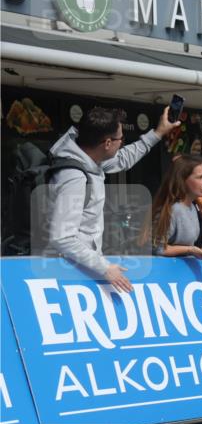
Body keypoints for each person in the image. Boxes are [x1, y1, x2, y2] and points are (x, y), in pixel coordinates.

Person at [43, 105, 179, 293]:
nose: (122, 143)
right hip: (67, 277)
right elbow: (62, 237)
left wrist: (158, 133)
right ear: (107, 143)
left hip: (81, 270)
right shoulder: (74, 177)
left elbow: (124, 159)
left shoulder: (91, 160)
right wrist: (104, 268)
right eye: (121, 139)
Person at [145, 155, 202, 262]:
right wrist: (190, 250)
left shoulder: (194, 207)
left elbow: (195, 244)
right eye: (200, 177)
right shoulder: (173, 209)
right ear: (183, 180)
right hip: (166, 274)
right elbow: (157, 249)